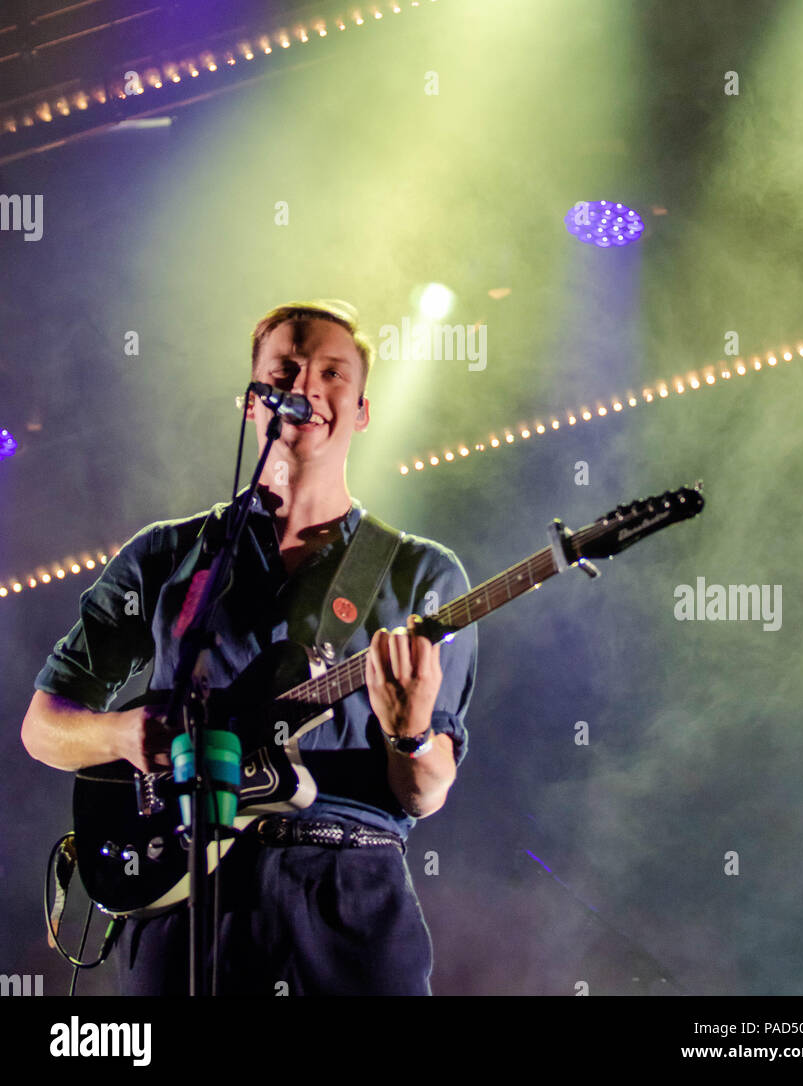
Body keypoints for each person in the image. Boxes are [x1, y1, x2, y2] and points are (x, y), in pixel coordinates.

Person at [20, 300, 477, 996]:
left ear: (360, 411)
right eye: (285, 370)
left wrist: (410, 732)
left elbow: (425, 793)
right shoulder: (167, 553)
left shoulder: (421, 573)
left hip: (347, 904)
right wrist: (119, 733)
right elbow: (43, 727)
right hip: (186, 897)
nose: (306, 387)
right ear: (250, 403)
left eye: (332, 373)